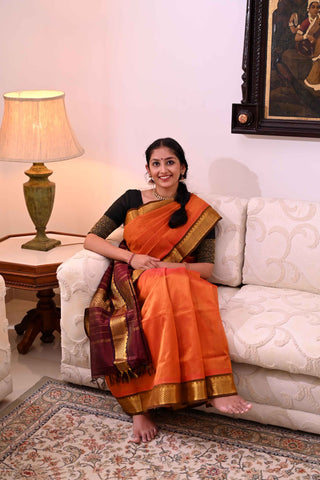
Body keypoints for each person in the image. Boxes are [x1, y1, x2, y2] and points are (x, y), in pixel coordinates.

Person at [84, 138, 252, 444]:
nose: (164, 169)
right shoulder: (130, 199)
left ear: (183, 167)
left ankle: (213, 390)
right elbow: (92, 239)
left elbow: (205, 270)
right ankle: (140, 408)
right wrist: (132, 258)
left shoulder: (199, 213)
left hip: (179, 278)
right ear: (148, 169)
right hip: (137, 276)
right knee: (162, 293)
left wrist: (168, 268)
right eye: (156, 163)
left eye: (170, 162)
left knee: (190, 291)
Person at [294, 0, 320, 90]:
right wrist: (307, 36)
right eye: (313, 7)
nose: (316, 9)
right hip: (306, 47)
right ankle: (313, 81)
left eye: (318, 7)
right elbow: (296, 38)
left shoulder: (319, 20)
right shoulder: (306, 22)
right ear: (308, 9)